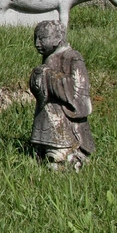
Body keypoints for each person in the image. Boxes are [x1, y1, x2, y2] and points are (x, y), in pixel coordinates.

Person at [29, 21, 94, 170]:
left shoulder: (73, 57)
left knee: (61, 149)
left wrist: (48, 76)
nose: (37, 43)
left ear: (58, 38)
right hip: (47, 111)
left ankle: (67, 156)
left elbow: (78, 87)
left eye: (43, 38)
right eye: (35, 38)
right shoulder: (50, 56)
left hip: (65, 115)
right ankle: (44, 152)